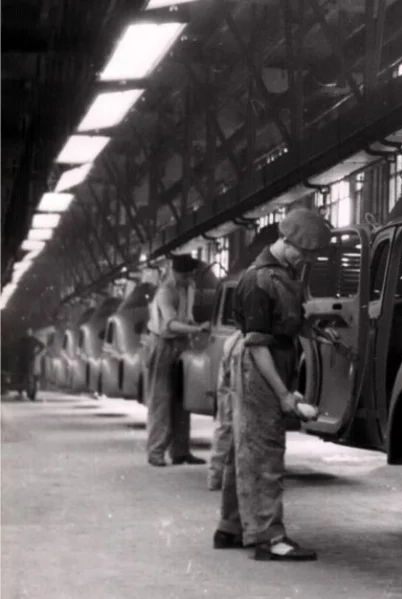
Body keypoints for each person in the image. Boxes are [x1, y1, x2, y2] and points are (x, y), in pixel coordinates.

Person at [214, 208, 329, 562]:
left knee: (245, 446)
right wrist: (283, 394)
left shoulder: (285, 274)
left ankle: (231, 527)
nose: (307, 260)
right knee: (264, 450)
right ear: (288, 241)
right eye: (305, 253)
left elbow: (284, 323)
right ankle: (269, 538)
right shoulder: (258, 280)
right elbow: (257, 345)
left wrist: (313, 325)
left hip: (274, 358)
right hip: (259, 365)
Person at [144, 254, 210, 467]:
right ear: (177, 272)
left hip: (182, 345)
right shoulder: (165, 291)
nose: (191, 278)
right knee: (161, 400)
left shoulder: (188, 287)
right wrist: (196, 329)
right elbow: (170, 325)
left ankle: (180, 451)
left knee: (182, 399)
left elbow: (186, 317)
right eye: (187, 275)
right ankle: (156, 451)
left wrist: (196, 325)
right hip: (163, 345)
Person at [208, 329, 242, 491]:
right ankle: (218, 476)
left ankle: (216, 475)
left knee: (225, 425)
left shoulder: (233, 341)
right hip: (233, 379)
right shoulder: (239, 343)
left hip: (229, 379)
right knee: (227, 426)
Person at [16, 328, 45, 400]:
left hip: (30, 361)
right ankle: (20, 393)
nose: (27, 333)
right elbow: (18, 348)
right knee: (21, 377)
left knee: (29, 377)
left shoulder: (33, 340)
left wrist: (36, 353)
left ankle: (30, 394)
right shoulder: (22, 340)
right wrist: (18, 356)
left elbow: (42, 346)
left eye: (29, 332)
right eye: (26, 332)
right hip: (22, 360)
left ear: (31, 332)